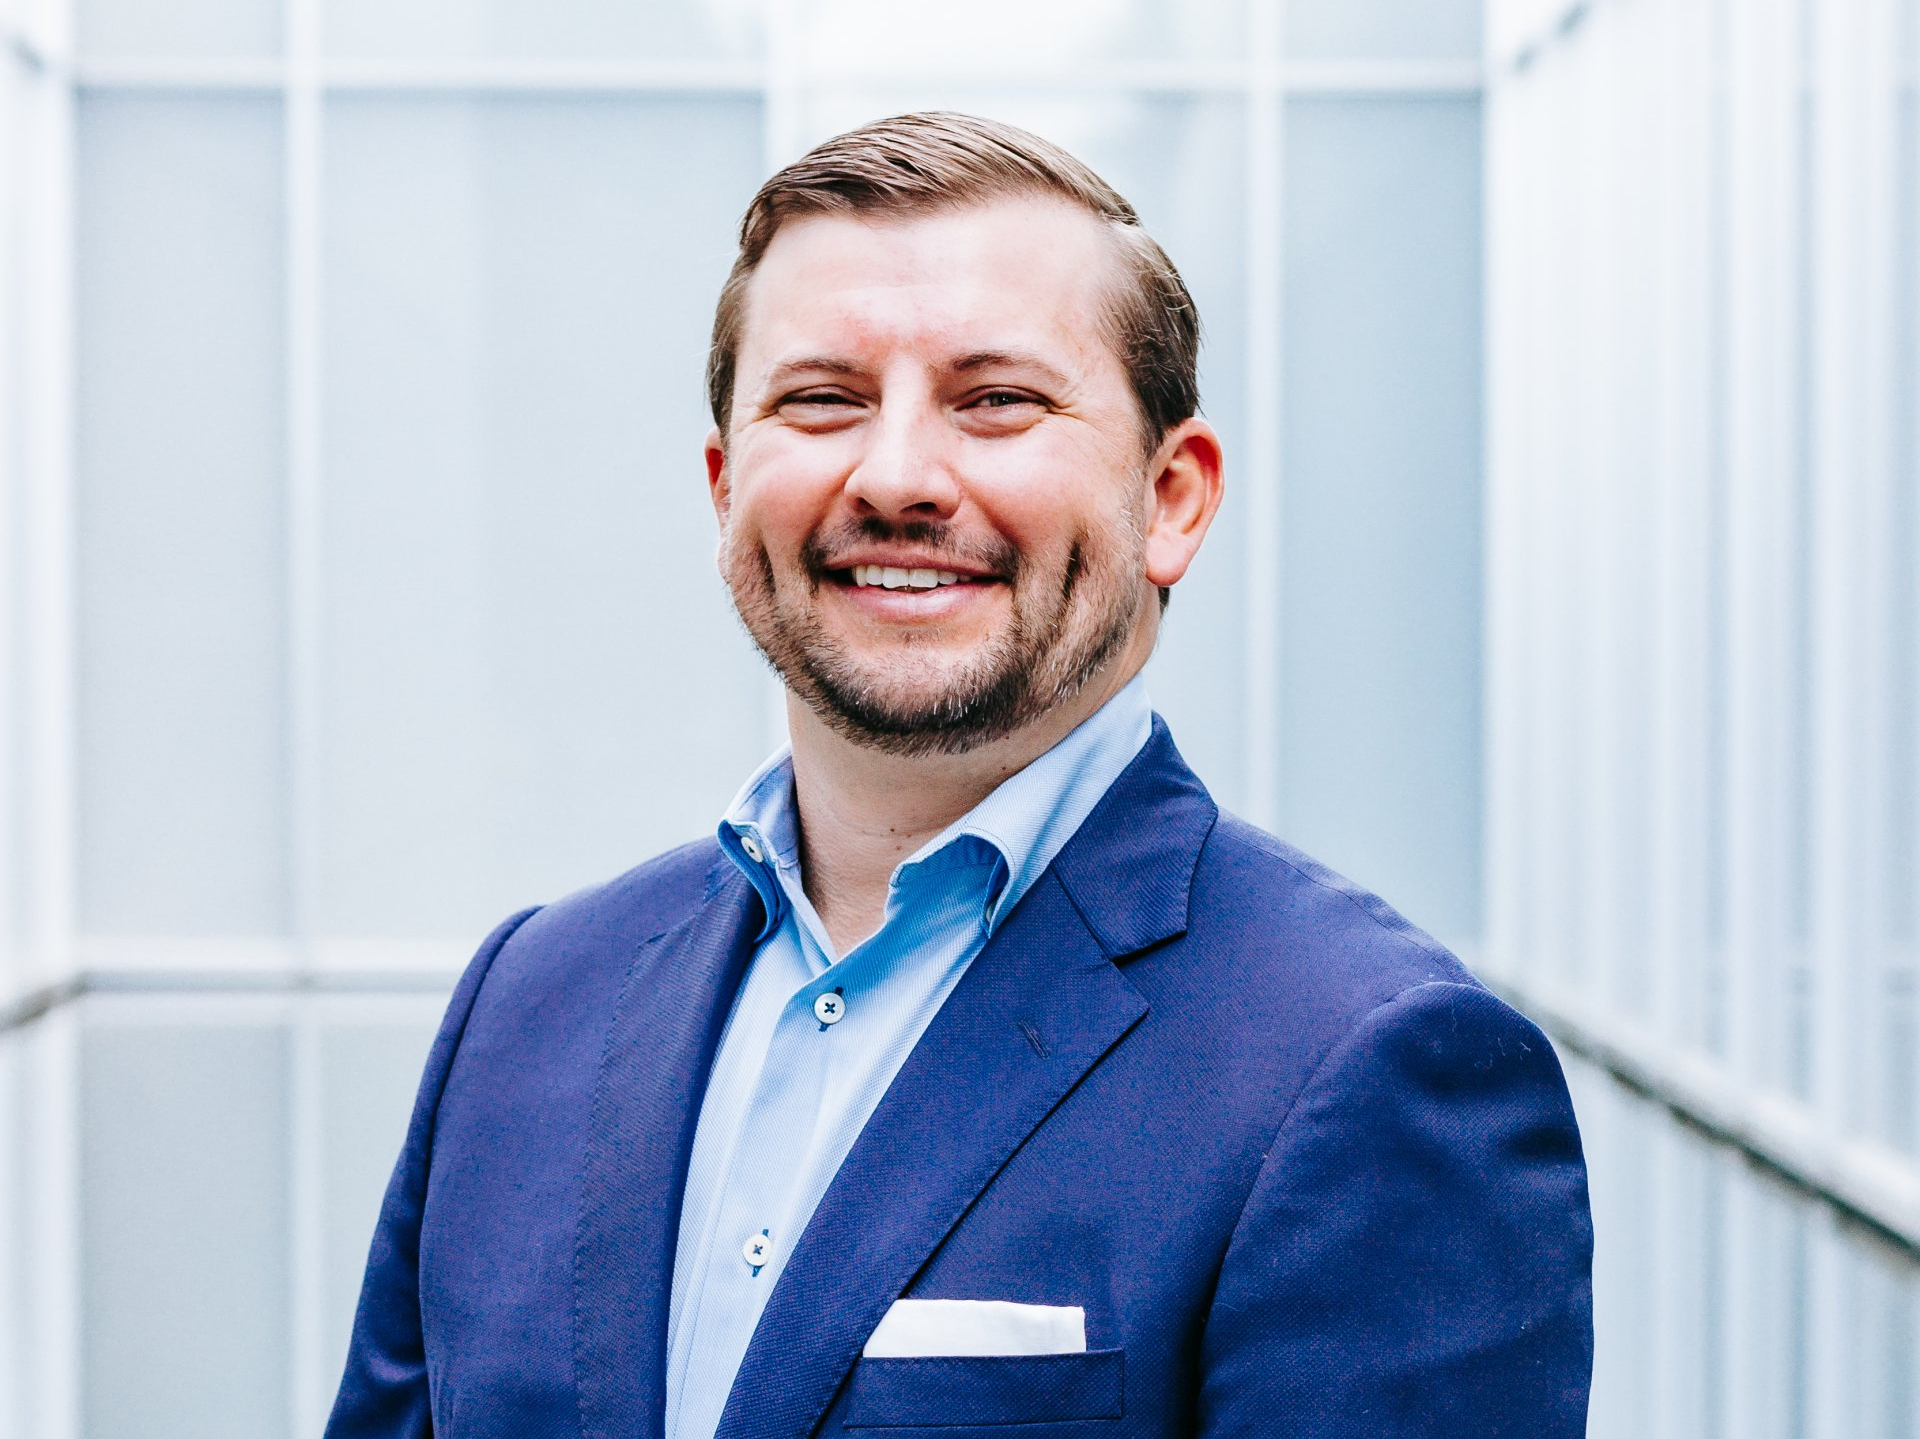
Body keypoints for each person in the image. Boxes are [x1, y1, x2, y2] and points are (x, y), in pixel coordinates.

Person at [326, 111, 1592, 1439]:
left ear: (1171, 498)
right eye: (823, 400)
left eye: (997, 400)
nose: (896, 475)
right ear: (722, 487)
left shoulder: (1372, 1062)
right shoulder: (527, 1004)